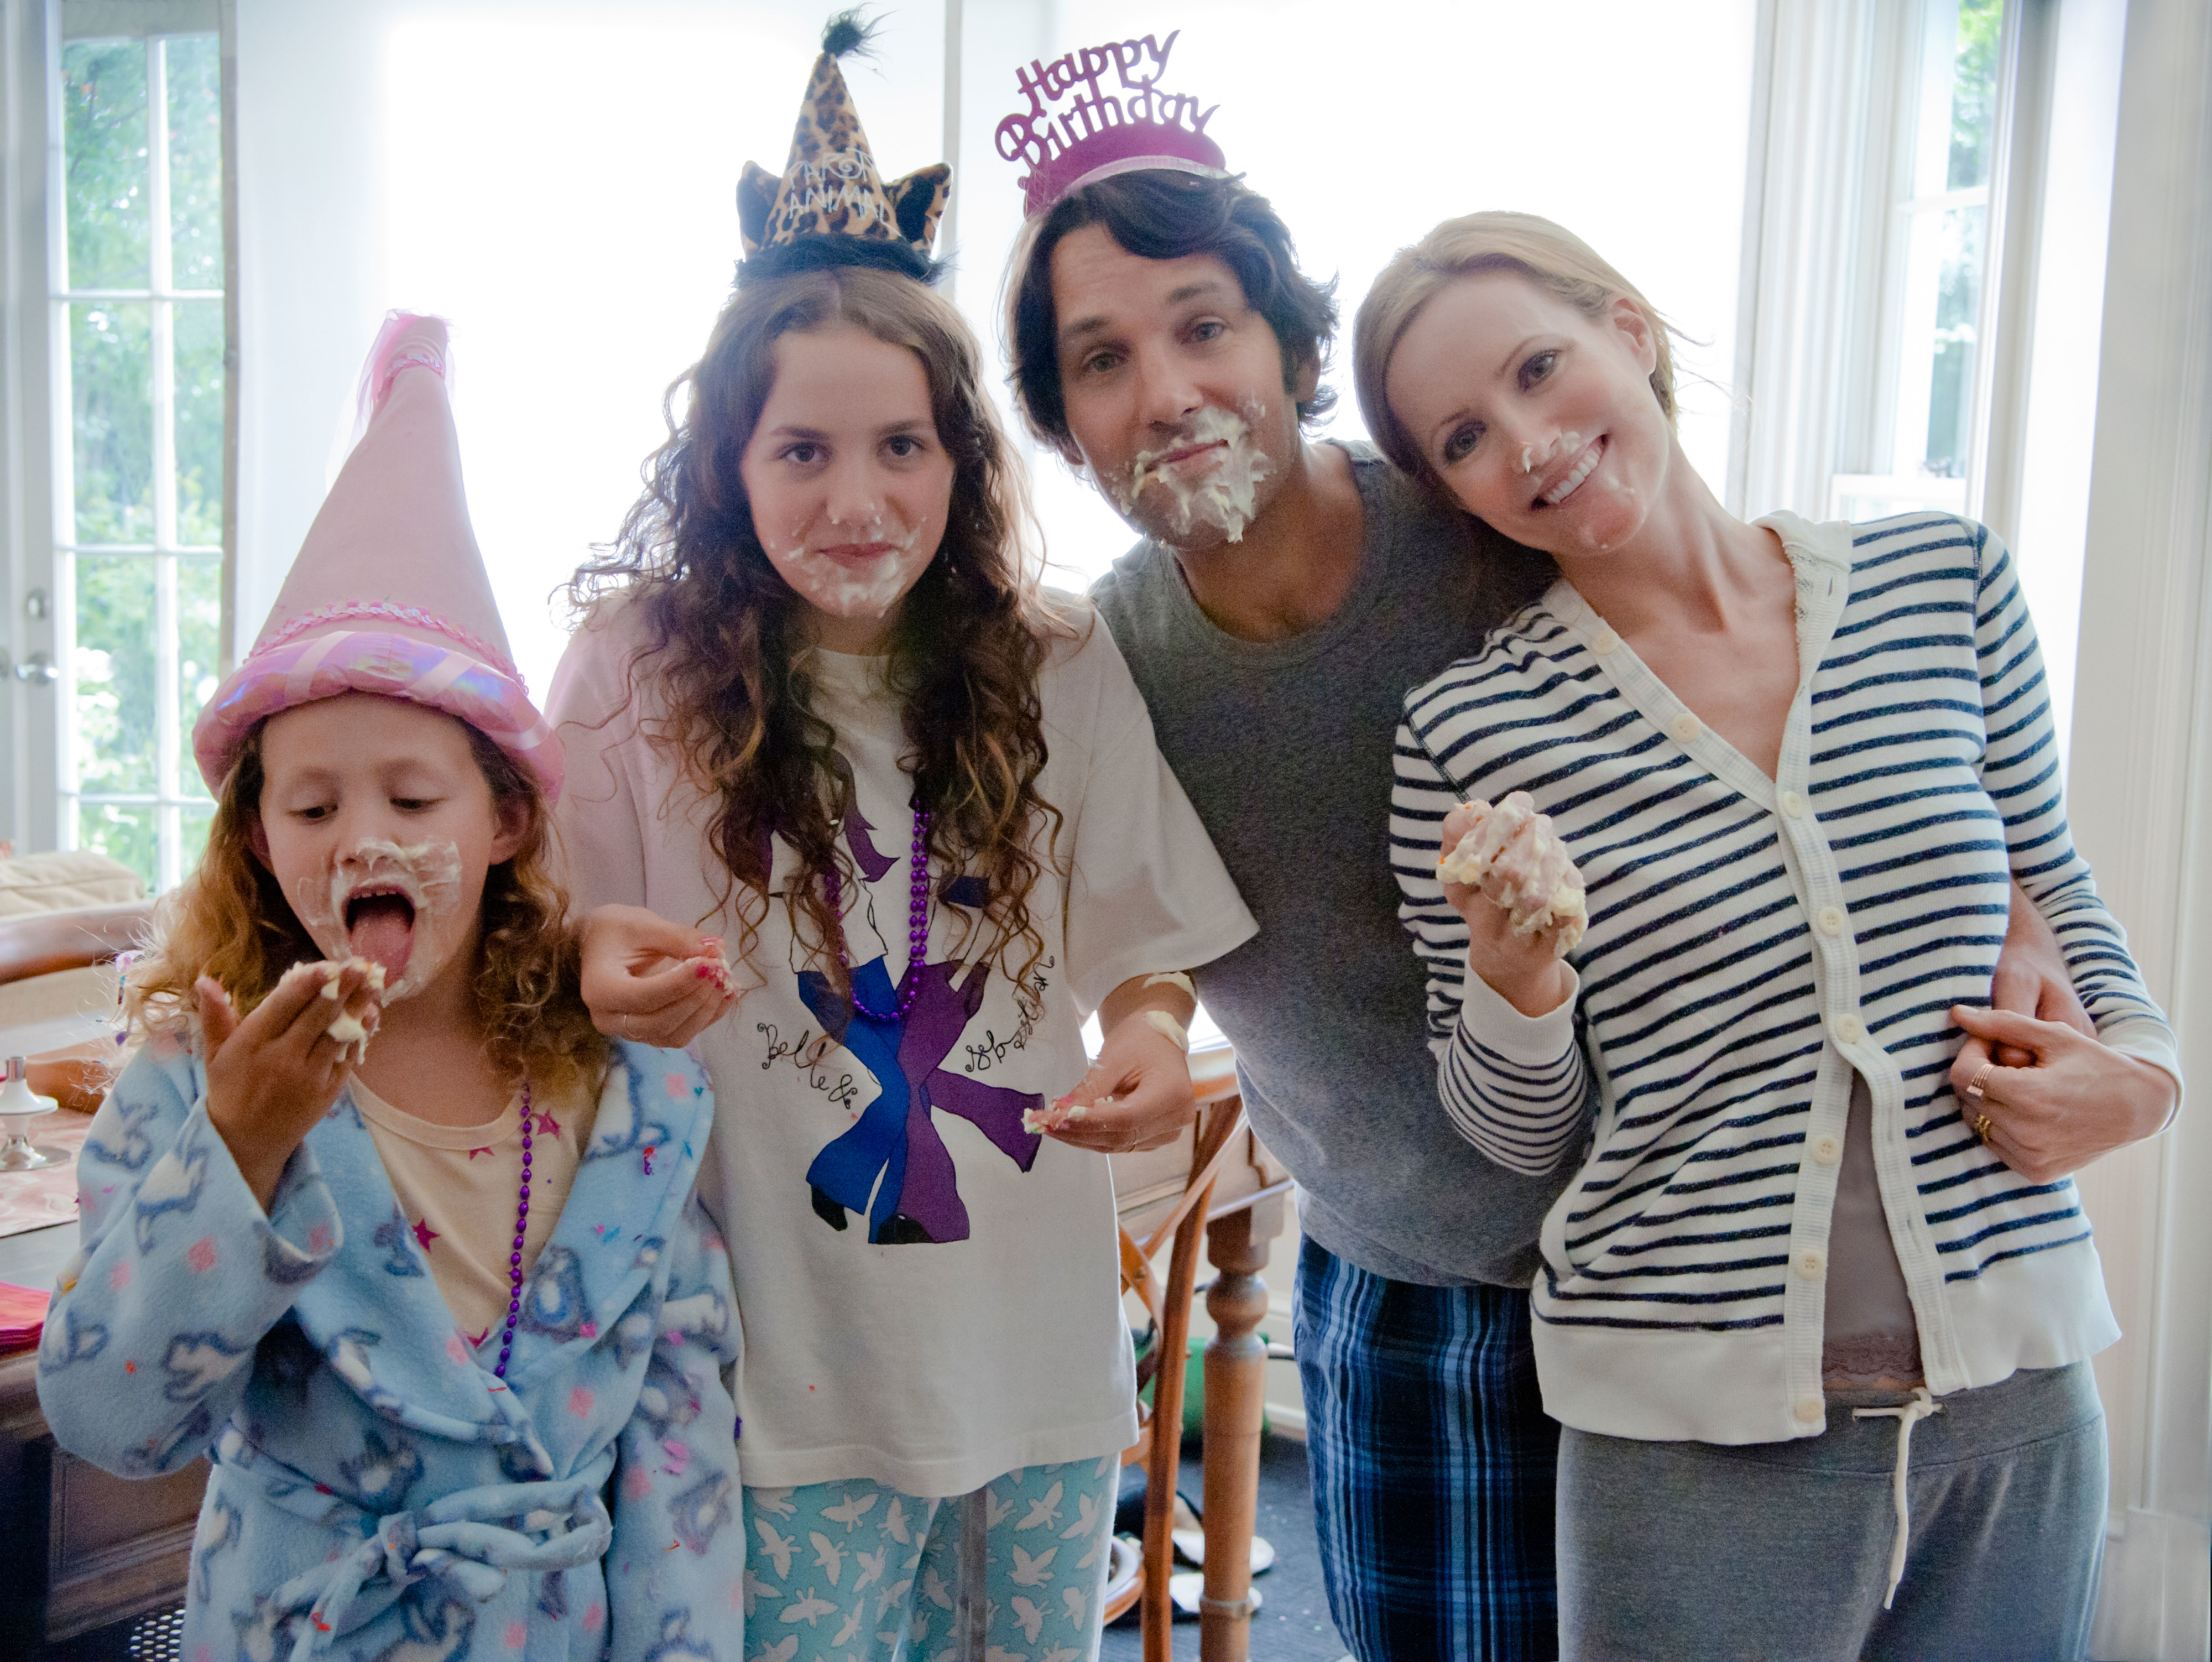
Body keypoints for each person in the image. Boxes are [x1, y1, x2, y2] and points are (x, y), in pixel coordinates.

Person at [990, 33, 2130, 1660]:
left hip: (1717, 1276)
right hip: (1423, 1285)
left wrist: (2020, 897)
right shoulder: (1107, 669)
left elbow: (1795, 694)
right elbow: (1131, 913)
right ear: (1064, 426)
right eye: (1101, 361)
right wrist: (1153, 1024)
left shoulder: (1490, 514)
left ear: (1291, 341)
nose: (1167, 393)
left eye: (1203, 326)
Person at [1362, 211, 2182, 1660]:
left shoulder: (1946, 585)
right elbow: (1516, 1132)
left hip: (2018, 1392)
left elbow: (2059, 882)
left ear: (1630, 328)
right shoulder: (1469, 730)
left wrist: (2145, 1077)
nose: (1530, 439)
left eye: (1542, 367)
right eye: (1465, 437)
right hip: (1687, 1434)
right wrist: (1516, 977)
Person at [547, 22, 1255, 1660]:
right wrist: (582, 956)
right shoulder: (632, 675)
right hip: (774, 1366)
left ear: (964, 459)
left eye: (902, 447)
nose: (856, 496)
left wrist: (1150, 1029)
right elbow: (528, 944)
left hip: (1033, 1350)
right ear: (729, 463)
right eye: (802, 448)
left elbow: (1140, 941)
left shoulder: (1053, 660)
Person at [36, 315, 743, 1660]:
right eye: (308, 805)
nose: (361, 836)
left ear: (506, 826)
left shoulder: (629, 1100)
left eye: (414, 795)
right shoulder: (197, 1082)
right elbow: (112, 1425)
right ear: (258, 842)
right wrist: (238, 1150)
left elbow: (680, 1465)